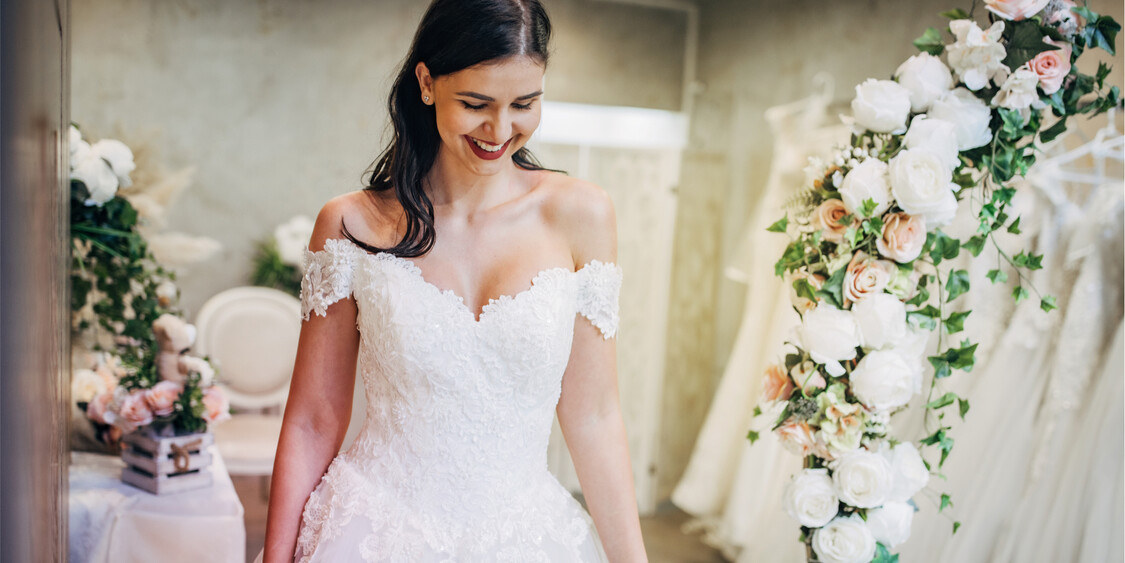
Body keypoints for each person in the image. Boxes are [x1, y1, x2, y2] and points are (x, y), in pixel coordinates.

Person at [257, 1, 647, 561]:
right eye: (476, 103)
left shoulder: (581, 215)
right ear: (427, 83)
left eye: (525, 104)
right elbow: (314, 420)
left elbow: (595, 415)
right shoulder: (351, 224)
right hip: (374, 531)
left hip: (525, 537)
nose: (500, 129)